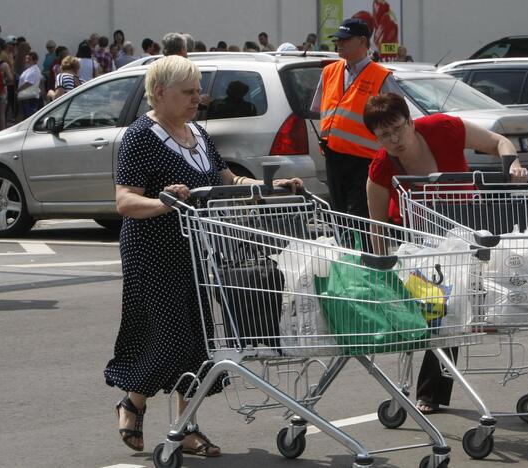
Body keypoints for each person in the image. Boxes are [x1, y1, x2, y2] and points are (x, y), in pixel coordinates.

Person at [104, 55, 302, 457]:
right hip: (153, 252)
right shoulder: (141, 137)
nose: (199, 98)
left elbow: (225, 180)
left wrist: (270, 188)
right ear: (160, 93)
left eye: (199, 91)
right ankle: (135, 403)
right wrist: (163, 203)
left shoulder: (198, 134)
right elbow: (125, 201)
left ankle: (183, 426)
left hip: (198, 250)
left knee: (199, 344)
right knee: (170, 339)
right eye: (189, 91)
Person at [362, 93, 528, 412]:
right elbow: (377, 226)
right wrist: (384, 271)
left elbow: (498, 142)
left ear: (410, 121)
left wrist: (514, 165)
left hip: (462, 229)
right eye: (384, 135)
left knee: (457, 305)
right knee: (443, 305)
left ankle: (430, 393)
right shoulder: (382, 167)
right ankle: (428, 392)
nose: (394, 139)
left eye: (398, 128)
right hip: (416, 241)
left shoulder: (443, 128)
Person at [309, 18, 404, 218]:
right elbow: (321, 109)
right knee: (339, 214)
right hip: (333, 156)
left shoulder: (380, 75)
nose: (338, 44)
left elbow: (399, 115)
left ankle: (360, 250)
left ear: (362, 41)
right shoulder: (329, 72)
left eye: (344, 40)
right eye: (337, 40)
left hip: (365, 160)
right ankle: (347, 249)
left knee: (358, 216)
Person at [17, 51, 42, 118]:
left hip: (30, 97)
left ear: (35, 61)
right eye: (26, 59)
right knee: (26, 115)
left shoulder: (34, 70)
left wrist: (18, 90)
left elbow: (29, 82)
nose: (27, 61)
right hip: (27, 96)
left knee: (29, 116)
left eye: (29, 59)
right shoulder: (30, 69)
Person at [0, 38, 11, 130]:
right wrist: (4, 82)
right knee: (2, 114)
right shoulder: (4, 65)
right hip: (1, 91)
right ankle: (1, 133)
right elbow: (11, 78)